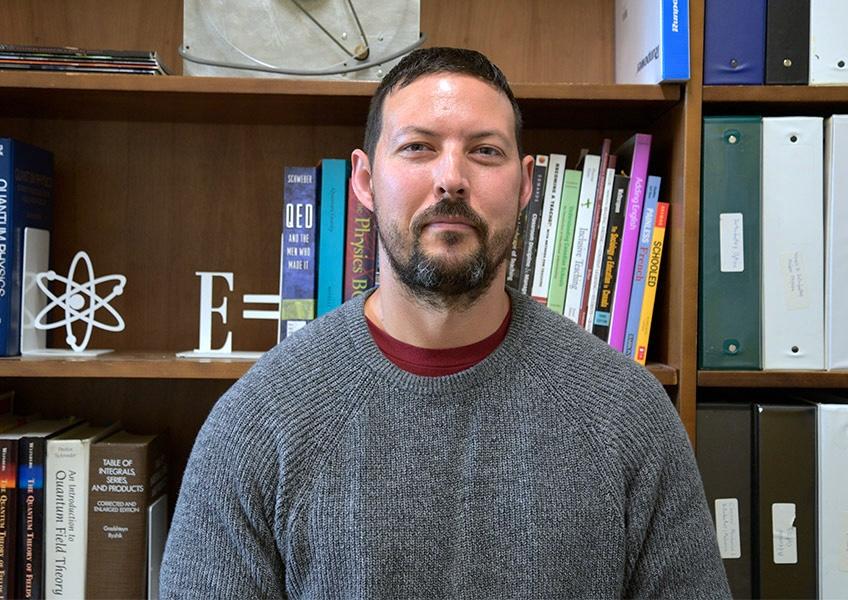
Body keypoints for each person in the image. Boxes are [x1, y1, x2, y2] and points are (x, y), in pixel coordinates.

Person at [160, 47, 730, 598]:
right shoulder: (259, 422)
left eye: (484, 152)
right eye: (417, 148)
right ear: (363, 180)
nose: (451, 179)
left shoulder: (628, 415)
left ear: (526, 183)